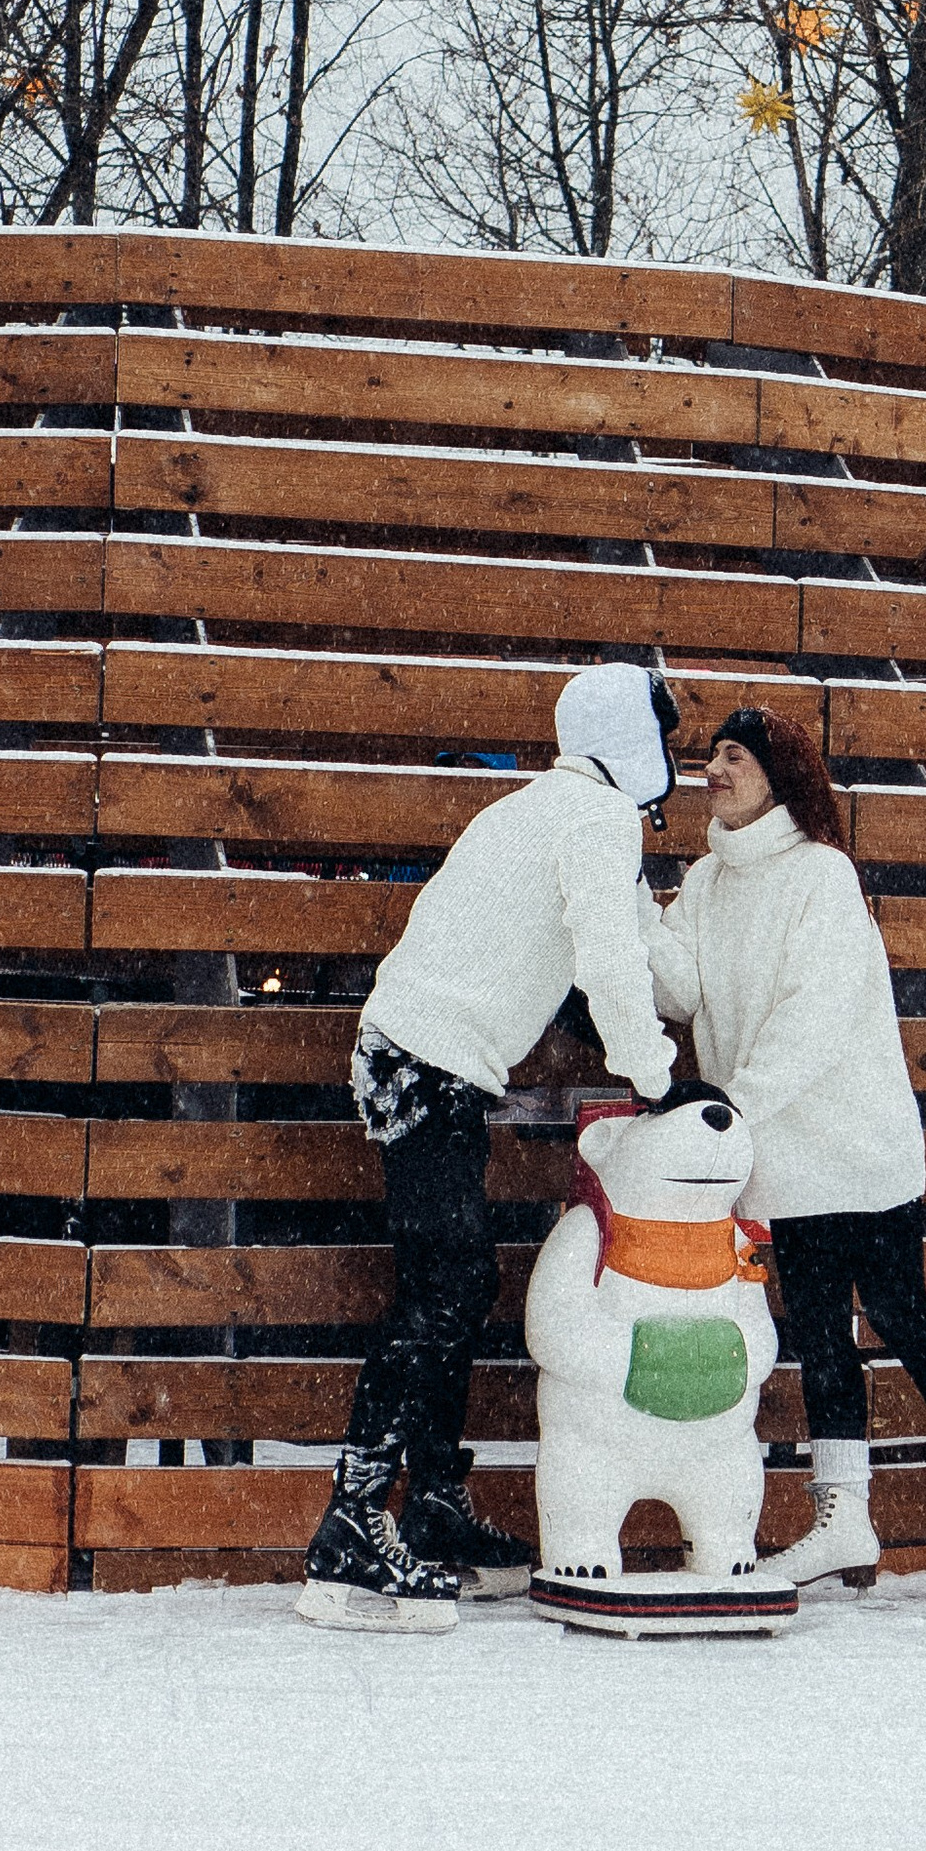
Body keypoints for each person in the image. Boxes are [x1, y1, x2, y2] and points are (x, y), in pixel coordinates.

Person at [300, 663, 680, 1632]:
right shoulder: (595, 819)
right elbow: (609, 964)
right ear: (633, 739)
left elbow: (627, 943)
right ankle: (352, 1526)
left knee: (457, 1286)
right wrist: (659, 1077)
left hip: (416, 1057)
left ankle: (431, 1502)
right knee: (446, 1288)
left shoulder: (542, 808)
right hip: (428, 1060)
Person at [646, 702, 926, 1600]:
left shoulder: (823, 875)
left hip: (854, 1143)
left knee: (898, 1312)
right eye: (712, 755)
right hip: (780, 1155)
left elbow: (813, 1017)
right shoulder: (707, 881)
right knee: (819, 1331)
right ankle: (844, 1516)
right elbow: (680, 990)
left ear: (778, 775)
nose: (716, 770)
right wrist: (630, 909)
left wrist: (734, 1106)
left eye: (736, 755)